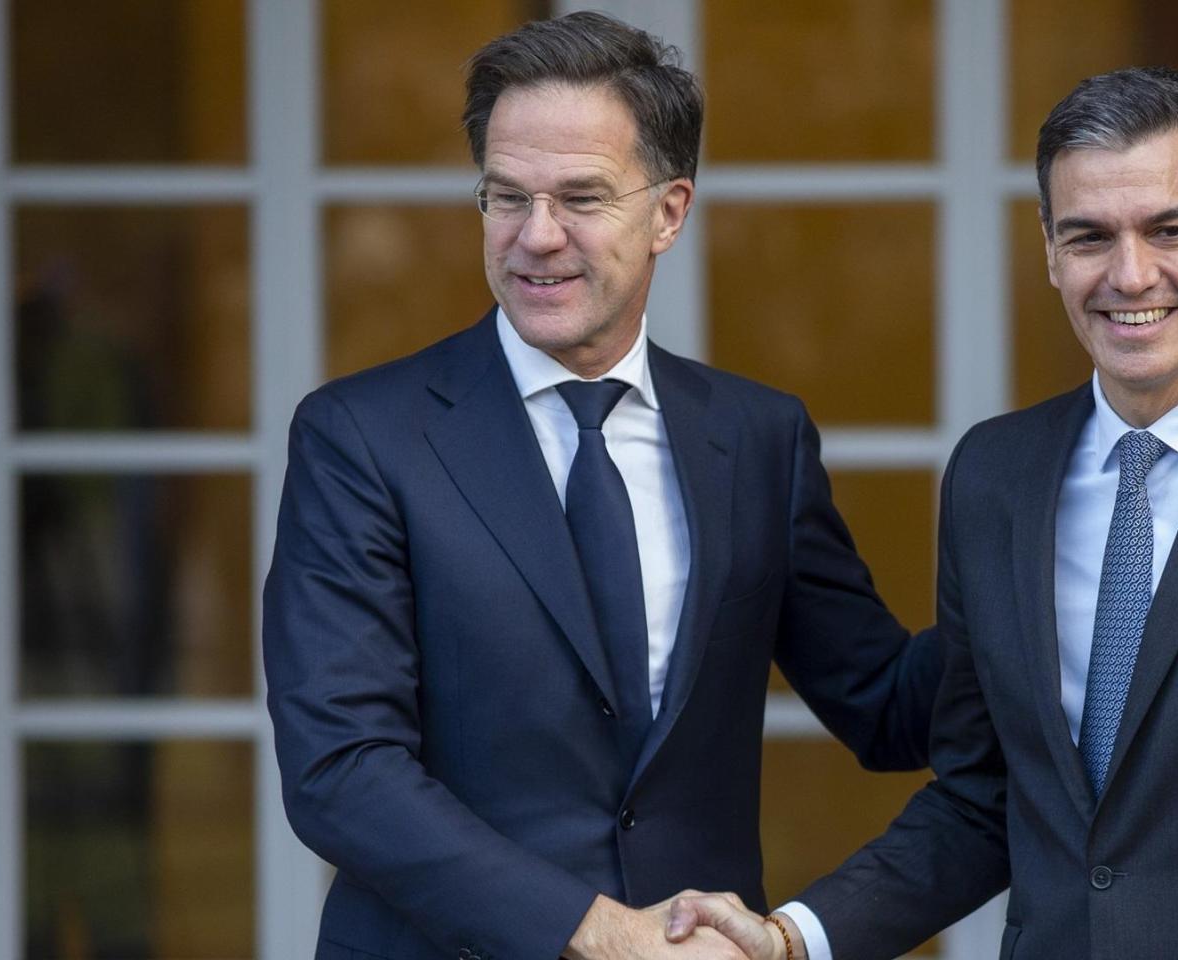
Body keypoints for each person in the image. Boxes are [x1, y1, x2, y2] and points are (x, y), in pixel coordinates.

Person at [667, 66, 1178, 960]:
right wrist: (790, 937)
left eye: (1170, 230)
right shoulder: (996, 478)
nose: (1130, 274)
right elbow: (983, 799)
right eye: (1090, 237)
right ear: (1049, 249)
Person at [261, 12, 943, 960]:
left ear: (669, 211)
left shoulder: (757, 438)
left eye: (580, 197)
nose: (536, 236)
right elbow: (341, 770)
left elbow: (887, 706)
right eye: (507, 197)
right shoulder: (362, 437)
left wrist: (1051, 567)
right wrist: (596, 932)